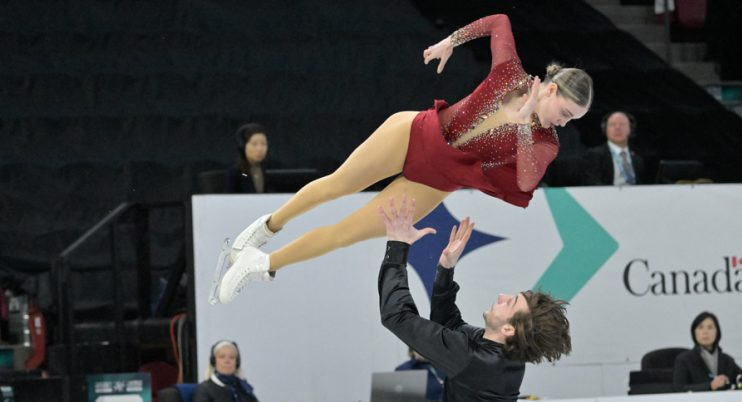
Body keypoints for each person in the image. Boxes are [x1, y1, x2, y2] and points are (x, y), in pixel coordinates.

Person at [214, 14, 593, 304]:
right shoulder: (509, 71)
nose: (565, 122)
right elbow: (500, 21)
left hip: (436, 181)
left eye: (573, 120)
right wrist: (452, 40)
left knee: (346, 234)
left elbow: (527, 180)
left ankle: (262, 264)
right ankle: (268, 227)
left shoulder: (546, 141)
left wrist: (526, 122)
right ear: (552, 89)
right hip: (412, 134)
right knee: (337, 186)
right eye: (566, 112)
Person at [378, 196, 572, 402]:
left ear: (510, 330)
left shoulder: (478, 361)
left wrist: (397, 248)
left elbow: (396, 317)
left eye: (510, 302)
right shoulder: (493, 354)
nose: (501, 295)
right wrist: (445, 270)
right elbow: (449, 325)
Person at [673, 312, 742, 392]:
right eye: (700, 327)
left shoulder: (727, 360)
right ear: (694, 332)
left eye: (710, 327)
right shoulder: (684, 360)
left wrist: (738, 387)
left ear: (717, 332)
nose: (705, 332)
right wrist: (710, 386)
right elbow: (679, 388)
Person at [193, 340, 265, 402]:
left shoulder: (243, 387)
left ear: (237, 362)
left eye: (232, 357)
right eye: (222, 357)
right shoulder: (204, 389)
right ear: (214, 361)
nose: (227, 361)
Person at [581, 111, 646, 186]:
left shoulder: (637, 159)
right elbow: (591, 183)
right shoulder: (594, 155)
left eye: (622, 124)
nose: (617, 128)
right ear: (605, 129)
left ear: (630, 129)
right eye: (612, 125)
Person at [226, 123, 270, 194]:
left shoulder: (270, 169)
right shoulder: (236, 172)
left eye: (263, 144)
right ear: (243, 147)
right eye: (254, 144)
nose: (260, 149)